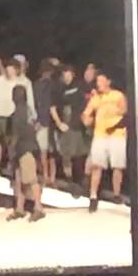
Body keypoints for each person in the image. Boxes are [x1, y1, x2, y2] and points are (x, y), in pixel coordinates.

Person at [81, 72, 128, 211]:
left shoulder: (118, 95)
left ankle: (116, 194)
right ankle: (93, 196)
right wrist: (86, 120)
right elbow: (86, 113)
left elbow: (125, 112)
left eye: (101, 80)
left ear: (108, 81)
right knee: (97, 165)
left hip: (117, 134)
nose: (98, 83)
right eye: (97, 81)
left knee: (118, 166)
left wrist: (114, 121)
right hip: (100, 134)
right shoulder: (95, 98)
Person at [5, 85, 44, 223]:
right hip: (28, 147)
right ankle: (20, 209)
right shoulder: (28, 110)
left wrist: (11, 151)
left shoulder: (18, 113)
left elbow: (15, 134)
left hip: (24, 149)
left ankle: (38, 208)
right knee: (19, 181)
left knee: (30, 180)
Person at [51, 64, 89, 192]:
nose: (66, 76)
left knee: (80, 155)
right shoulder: (59, 88)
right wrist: (59, 123)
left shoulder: (80, 86)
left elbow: (87, 102)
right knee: (66, 155)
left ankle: (81, 181)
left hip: (80, 127)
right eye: (64, 73)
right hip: (67, 127)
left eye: (68, 73)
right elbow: (53, 108)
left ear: (73, 74)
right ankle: (70, 180)